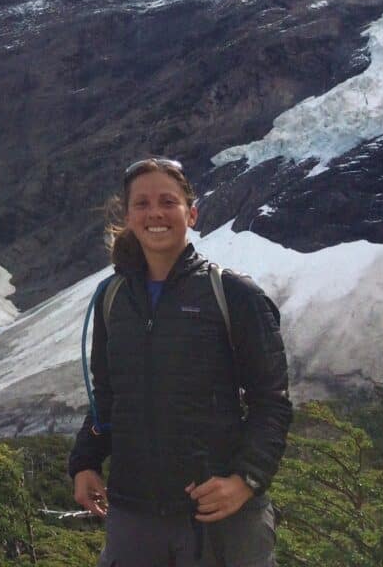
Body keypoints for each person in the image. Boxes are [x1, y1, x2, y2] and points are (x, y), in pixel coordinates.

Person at [69, 157, 292, 567]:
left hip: (219, 518)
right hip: (134, 516)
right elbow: (109, 396)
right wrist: (85, 461)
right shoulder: (112, 300)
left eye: (167, 201)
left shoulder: (233, 295)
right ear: (129, 215)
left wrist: (246, 480)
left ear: (191, 213)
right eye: (142, 203)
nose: (155, 213)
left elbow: (271, 401)